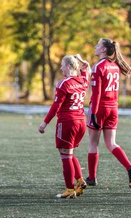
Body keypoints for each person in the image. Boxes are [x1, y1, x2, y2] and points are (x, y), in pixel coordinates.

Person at [86, 38, 131, 187]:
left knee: (92, 144)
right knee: (111, 143)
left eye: (98, 45)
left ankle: (92, 177)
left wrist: (94, 112)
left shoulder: (98, 67)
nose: (95, 47)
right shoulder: (115, 66)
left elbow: (96, 94)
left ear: (103, 50)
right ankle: (129, 167)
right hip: (113, 108)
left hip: (100, 108)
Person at [39, 54, 90, 199]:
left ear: (68, 66)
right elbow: (86, 77)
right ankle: (80, 181)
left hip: (68, 122)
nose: (61, 68)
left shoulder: (64, 84)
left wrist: (45, 123)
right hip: (81, 121)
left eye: (62, 65)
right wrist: (85, 69)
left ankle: (69, 188)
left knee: (65, 155)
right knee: (70, 152)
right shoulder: (82, 81)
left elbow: (56, 106)